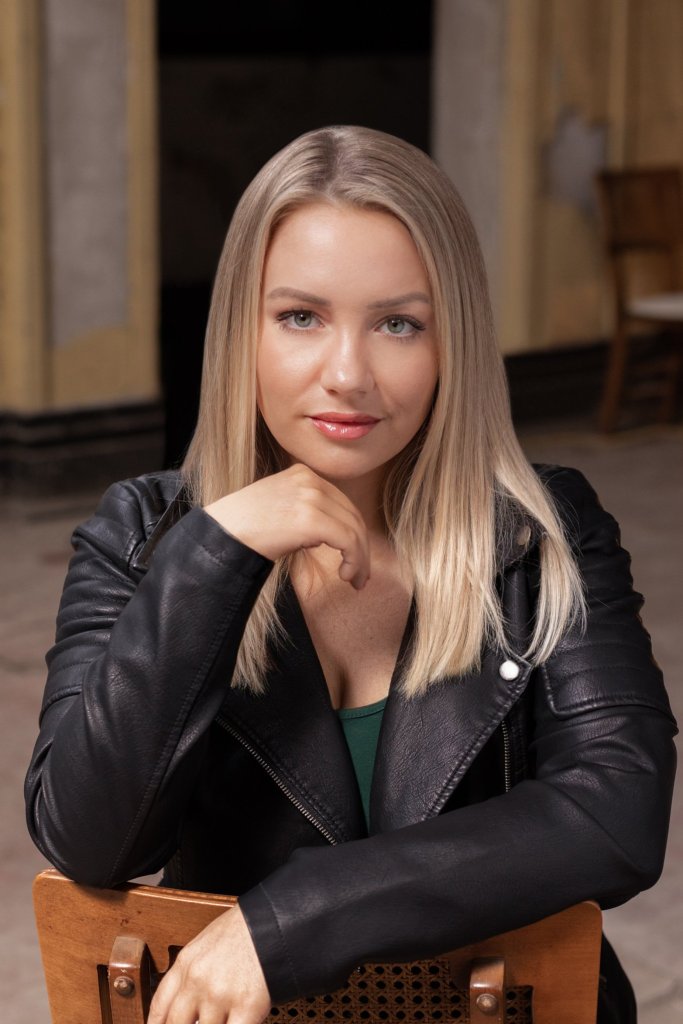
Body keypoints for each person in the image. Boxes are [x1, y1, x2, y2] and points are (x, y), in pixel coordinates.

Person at [25, 125, 676, 1024]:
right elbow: (88, 842)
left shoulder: (541, 531)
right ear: (239, 335)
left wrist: (288, 924)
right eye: (300, 317)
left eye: (398, 324)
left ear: (454, 344)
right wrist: (216, 557)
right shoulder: (145, 535)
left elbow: (617, 810)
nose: (347, 374)